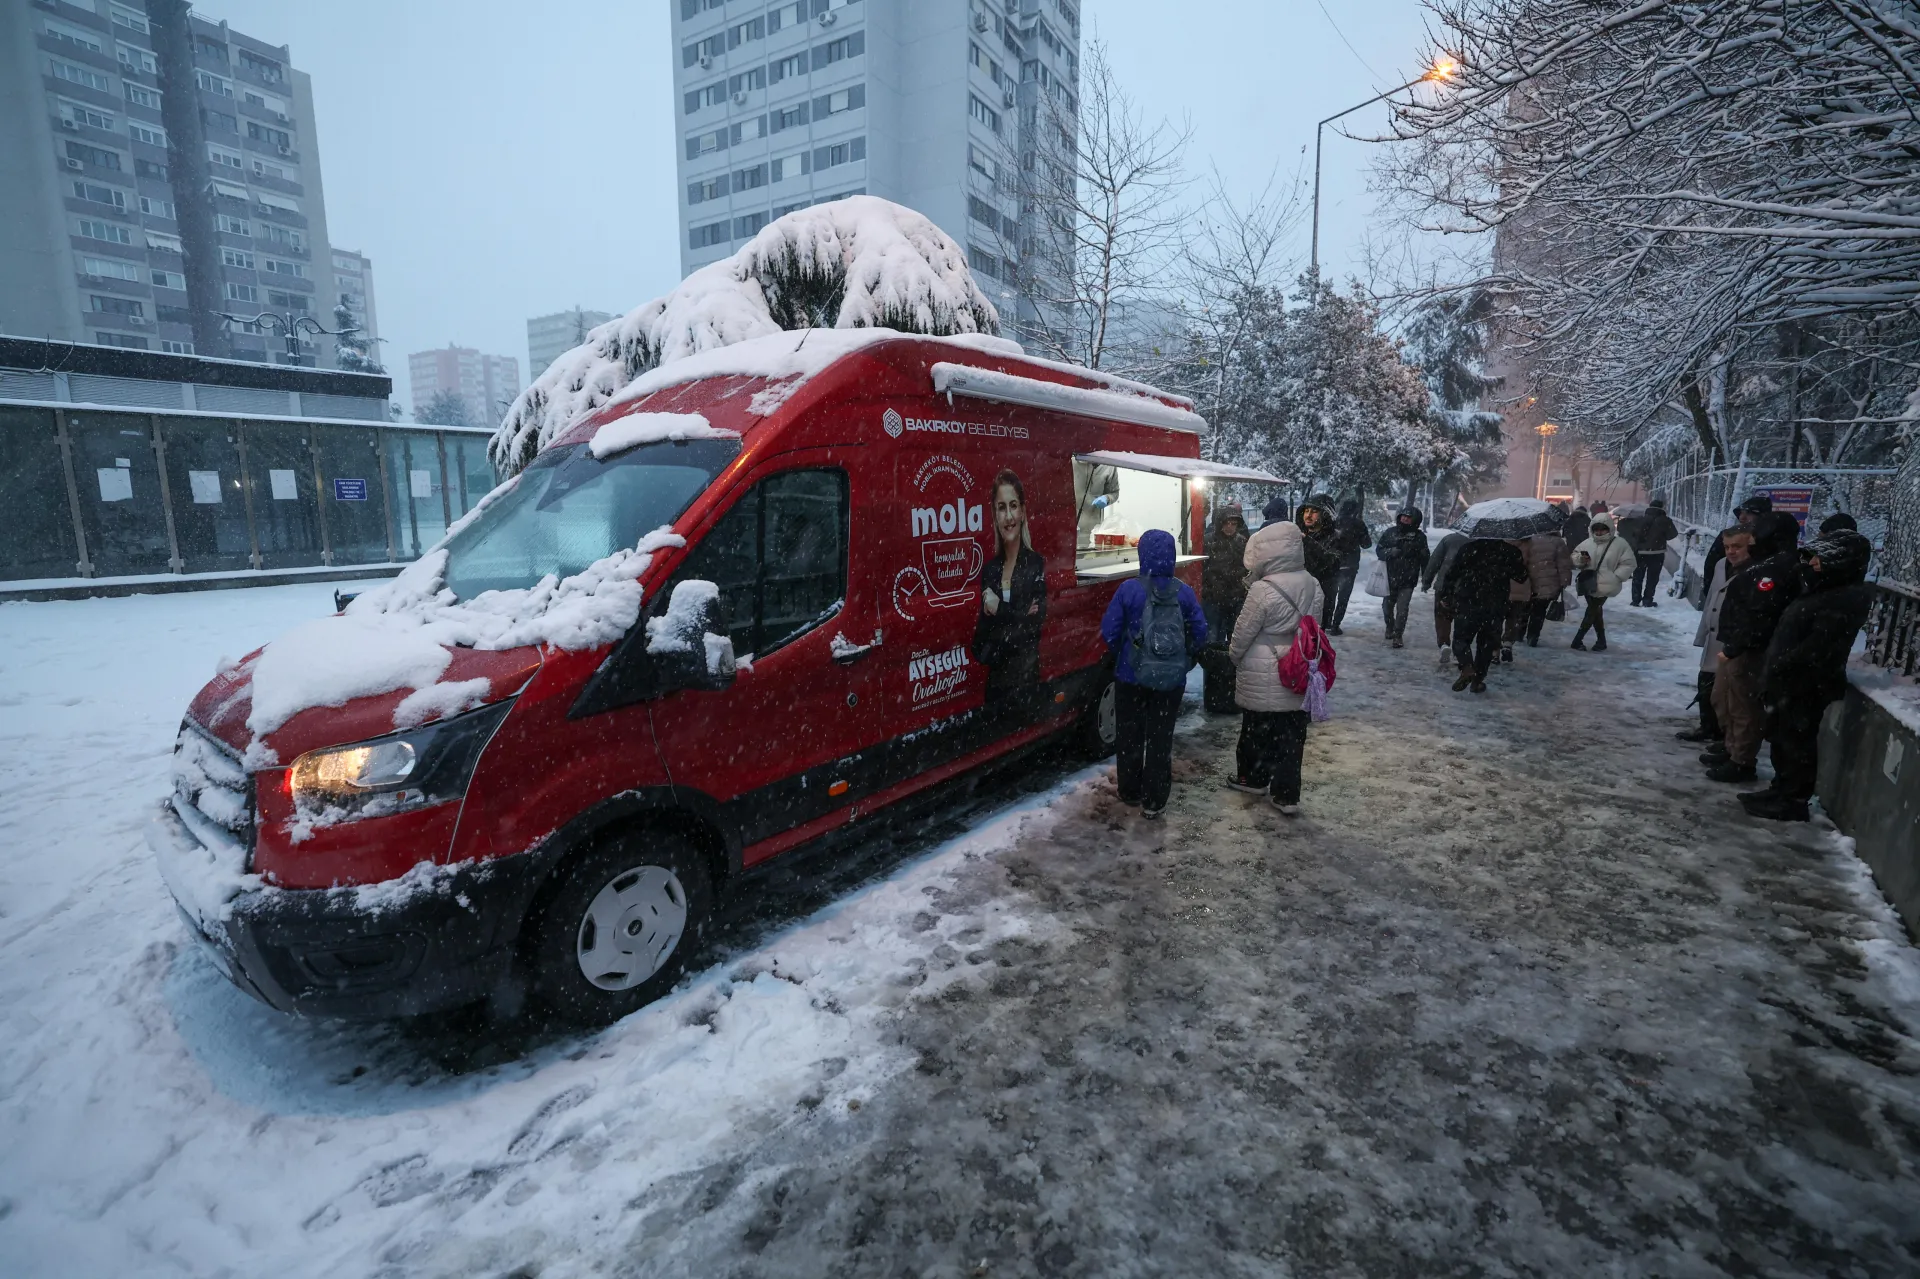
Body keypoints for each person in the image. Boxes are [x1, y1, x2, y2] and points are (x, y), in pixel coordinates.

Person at [1741, 529, 1875, 821]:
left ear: (1840, 562)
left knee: (1796, 742)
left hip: (1804, 685)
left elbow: (1818, 646)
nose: (1812, 563)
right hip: (1790, 681)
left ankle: (1792, 799)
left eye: (1819, 558)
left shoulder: (1842, 598)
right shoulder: (1824, 590)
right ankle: (1781, 789)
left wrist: (1783, 665)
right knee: (1782, 738)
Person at [1101, 529, 1207, 819]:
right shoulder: (1183, 591)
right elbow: (1200, 631)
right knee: (1160, 739)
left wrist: (1124, 655)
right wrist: (1183, 659)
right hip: (1170, 680)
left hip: (1131, 677)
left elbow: (1109, 631)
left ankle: (1130, 790)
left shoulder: (1128, 590)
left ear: (1142, 555)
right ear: (1172, 556)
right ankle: (1155, 800)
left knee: (1130, 735)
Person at [1225, 519, 1324, 815]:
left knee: (1256, 730)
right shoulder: (1312, 583)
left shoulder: (1261, 589)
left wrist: (1233, 657)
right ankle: (1287, 794)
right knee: (1292, 736)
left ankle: (1253, 778)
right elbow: (1314, 626)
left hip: (1261, 664)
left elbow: (1243, 633)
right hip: (1297, 664)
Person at [1704, 512, 1803, 782]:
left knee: (1743, 707)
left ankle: (1741, 760)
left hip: (1749, 649)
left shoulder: (1773, 567)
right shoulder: (1766, 563)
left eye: (1756, 533)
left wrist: (1737, 645)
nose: (1753, 537)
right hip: (1739, 644)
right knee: (1726, 701)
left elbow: (1760, 613)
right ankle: (1732, 749)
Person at [972, 469, 1047, 705]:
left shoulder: (1035, 564)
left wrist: (999, 611)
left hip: (1025, 682)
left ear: (1023, 511)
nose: (1008, 517)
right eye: (1001, 507)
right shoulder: (990, 570)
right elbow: (979, 641)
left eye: (1013, 505)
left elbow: (1032, 629)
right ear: (994, 515)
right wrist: (1018, 615)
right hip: (996, 687)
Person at [1681, 525, 1753, 744]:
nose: (1731, 551)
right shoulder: (1722, 564)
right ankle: (1709, 727)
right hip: (1714, 637)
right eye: (1727, 546)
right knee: (1706, 684)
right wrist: (1702, 634)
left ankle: (1727, 741)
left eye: (1737, 546)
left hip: (1734, 641)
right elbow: (1712, 596)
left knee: (1729, 696)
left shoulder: (1754, 571)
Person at [1444, 535, 1527, 692]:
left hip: (1468, 600)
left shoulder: (1468, 549)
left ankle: (1467, 667)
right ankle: (1478, 680)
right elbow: (1521, 577)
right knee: (1487, 644)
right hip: (1495, 604)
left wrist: (1446, 594)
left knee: (1461, 639)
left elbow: (1452, 573)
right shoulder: (1510, 551)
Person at [1569, 515, 1634, 651]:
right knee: (1595, 612)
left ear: (1609, 529)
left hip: (1607, 583)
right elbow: (1575, 555)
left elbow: (1628, 563)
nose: (1599, 532)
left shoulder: (1620, 544)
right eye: (1596, 529)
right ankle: (1601, 641)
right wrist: (1581, 559)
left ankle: (1577, 640)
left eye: (1602, 529)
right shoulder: (1588, 543)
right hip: (1588, 581)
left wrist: (1616, 577)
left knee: (1592, 611)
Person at [1373, 506, 1430, 648]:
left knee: (1402, 609)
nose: (1405, 518)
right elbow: (1379, 550)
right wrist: (1390, 552)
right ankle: (1390, 627)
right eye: (1403, 516)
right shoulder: (1390, 533)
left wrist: (1426, 578)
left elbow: (1425, 559)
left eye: (1408, 517)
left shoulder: (1419, 537)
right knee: (1387, 607)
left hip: (1408, 580)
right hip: (1389, 578)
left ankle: (1398, 635)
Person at [1201, 502, 1249, 642]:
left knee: (1235, 637)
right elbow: (1204, 568)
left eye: (1233, 524)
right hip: (1214, 598)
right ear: (1220, 523)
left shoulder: (1241, 542)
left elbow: (1247, 567)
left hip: (1234, 598)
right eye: (1227, 523)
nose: (1230, 527)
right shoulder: (1209, 541)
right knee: (1214, 637)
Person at [1517, 530, 1573, 648]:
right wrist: (1565, 581)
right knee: (1539, 611)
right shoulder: (1558, 542)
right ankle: (1533, 636)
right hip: (1549, 582)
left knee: (1524, 608)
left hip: (1528, 581)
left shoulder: (1528, 539)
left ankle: (1519, 632)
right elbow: (1563, 564)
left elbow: (1521, 560)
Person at [1422, 527, 1469, 670]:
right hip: (1468, 589)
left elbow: (1435, 561)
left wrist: (1427, 581)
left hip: (1444, 586)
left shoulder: (1449, 539)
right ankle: (1459, 649)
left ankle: (1444, 644)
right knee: (1463, 620)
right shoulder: (1481, 543)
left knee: (1442, 616)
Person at [1702, 493, 1772, 587]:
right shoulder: (1728, 536)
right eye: (1741, 513)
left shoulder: (1771, 540)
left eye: (1748, 513)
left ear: (1763, 516)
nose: (1741, 517)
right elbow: (1711, 566)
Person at [1620, 496, 1679, 606]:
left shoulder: (1640, 519)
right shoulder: (1665, 520)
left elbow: (1633, 534)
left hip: (1640, 552)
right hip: (1657, 553)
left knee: (1638, 576)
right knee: (1652, 578)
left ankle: (1635, 600)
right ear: (1662, 508)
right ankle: (1647, 600)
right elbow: (1672, 535)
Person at [1295, 495, 1342, 631]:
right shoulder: (1297, 534)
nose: (1308, 515)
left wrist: (1307, 543)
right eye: (1306, 511)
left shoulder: (1336, 538)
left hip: (1320, 601)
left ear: (1325, 515)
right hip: (1296, 599)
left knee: (1314, 643)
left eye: (1314, 512)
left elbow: (1329, 563)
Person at [1328, 497, 1373, 634]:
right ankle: (1336, 625)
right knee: (1343, 596)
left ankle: (1327, 622)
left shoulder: (1333, 522)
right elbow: (1367, 544)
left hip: (1332, 564)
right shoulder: (1358, 524)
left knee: (1330, 595)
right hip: (1349, 565)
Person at [1073, 460, 1121, 551]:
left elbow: (1114, 492)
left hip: (1093, 532)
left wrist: (1107, 498)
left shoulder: (1109, 465)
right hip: (1066, 531)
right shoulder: (1069, 460)